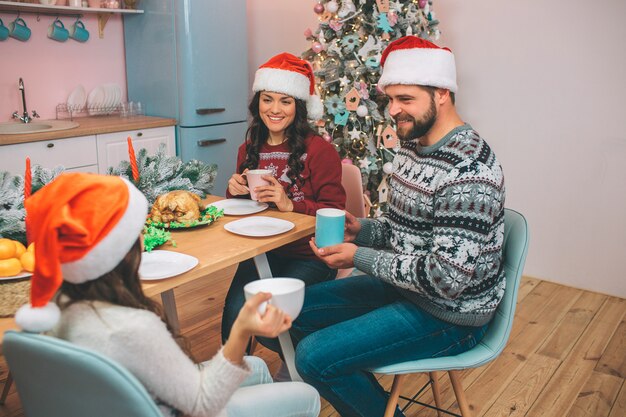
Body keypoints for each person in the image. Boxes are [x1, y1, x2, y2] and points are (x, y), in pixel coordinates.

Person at [286, 36, 507, 416]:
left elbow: (446, 278)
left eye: (405, 99)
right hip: (406, 289)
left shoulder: (469, 169)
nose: (393, 111)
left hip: (450, 313)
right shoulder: (413, 144)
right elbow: (400, 231)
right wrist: (364, 231)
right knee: (286, 313)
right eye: (390, 99)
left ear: (441, 94)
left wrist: (360, 256)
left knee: (313, 357)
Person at [15, 173, 320, 417]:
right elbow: (203, 404)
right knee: (305, 395)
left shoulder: (55, 306)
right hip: (188, 406)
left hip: (130, 400)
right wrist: (241, 330)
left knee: (256, 366)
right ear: (119, 249)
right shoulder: (132, 327)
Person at [221, 53, 346, 350]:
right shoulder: (249, 147)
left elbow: (336, 214)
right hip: (264, 251)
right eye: (267, 100)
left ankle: (304, 363)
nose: (274, 109)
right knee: (235, 312)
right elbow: (243, 207)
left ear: (298, 108)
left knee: (271, 324)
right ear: (258, 103)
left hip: (309, 255)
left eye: (285, 101)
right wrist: (235, 189)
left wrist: (290, 205)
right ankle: (231, 384)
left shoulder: (319, 151)